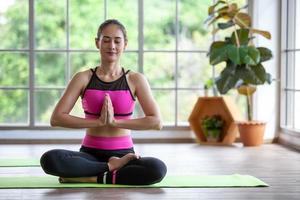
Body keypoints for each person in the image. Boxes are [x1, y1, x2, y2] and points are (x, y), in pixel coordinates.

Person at [40, 19, 167, 185]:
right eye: (106, 40)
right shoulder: (83, 78)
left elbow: (156, 122)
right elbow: (56, 118)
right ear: (97, 43)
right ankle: (109, 168)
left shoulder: (135, 79)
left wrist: (115, 122)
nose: (111, 46)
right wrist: (98, 122)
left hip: (124, 155)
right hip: (89, 155)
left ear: (125, 44)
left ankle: (92, 177)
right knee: (50, 159)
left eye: (117, 41)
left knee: (157, 169)